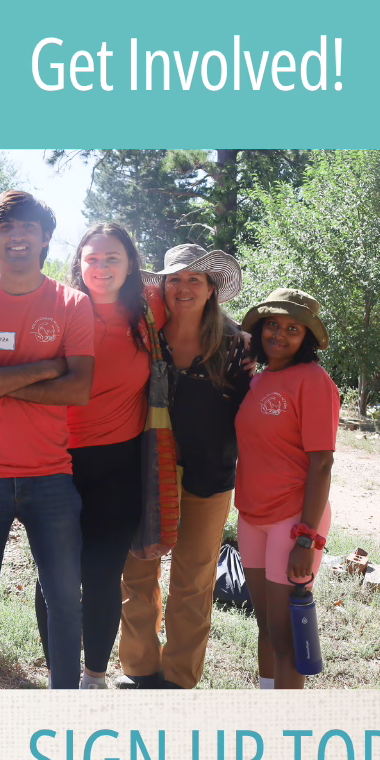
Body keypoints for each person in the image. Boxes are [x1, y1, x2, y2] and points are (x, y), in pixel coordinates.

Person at [0, 190, 95, 689]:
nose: (18, 236)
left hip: (50, 475)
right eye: (6, 228)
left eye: (28, 227)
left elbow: (78, 388)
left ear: (46, 237)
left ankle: (65, 706)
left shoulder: (72, 304)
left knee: (65, 599)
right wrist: (45, 368)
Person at [28, 223, 165, 688]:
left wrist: (242, 344)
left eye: (112, 259)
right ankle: (59, 676)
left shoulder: (149, 310)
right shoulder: (60, 308)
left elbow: (203, 317)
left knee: (103, 576)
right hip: (55, 464)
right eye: (92, 259)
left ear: (130, 264)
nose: (101, 268)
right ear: (78, 264)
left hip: (119, 468)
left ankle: (93, 676)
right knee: (55, 578)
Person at [118, 243, 252, 689]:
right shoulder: (144, 336)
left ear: (212, 289)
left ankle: (178, 679)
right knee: (137, 573)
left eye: (194, 279)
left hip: (208, 477)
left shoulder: (237, 347)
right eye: (174, 279)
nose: (183, 287)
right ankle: (139, 669)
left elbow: (252, 418)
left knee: (193, 582)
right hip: (146, 474)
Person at [235, 288, 339, 690]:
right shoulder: (259, 379)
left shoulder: (313, 381)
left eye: (292, 328)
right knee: (266, 626)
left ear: (306, 337)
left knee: (288, 637)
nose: (279, 334)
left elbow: (323, 463)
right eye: (273, 325)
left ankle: (287, 731)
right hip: (252, 515)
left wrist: (307, 538)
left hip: (293, 521)